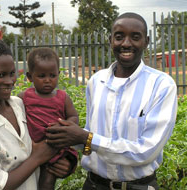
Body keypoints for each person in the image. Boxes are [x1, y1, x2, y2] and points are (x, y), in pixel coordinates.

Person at [45, 12, 178, 190]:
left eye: (135, 37)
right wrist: (69, 138)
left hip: (139, 187)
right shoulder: (96, 81)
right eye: (119, 37)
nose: (126, 43)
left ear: (146, 42)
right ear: (110, 40)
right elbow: (90, 136)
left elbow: (146, 152)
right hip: (93, 185)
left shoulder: (161, 85)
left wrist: (86, 138)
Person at [0, 20, 73, 190]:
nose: (9, 81)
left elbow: (41, 140)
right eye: (0, 75)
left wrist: (64, 164)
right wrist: (37, 158)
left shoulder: (20, 105)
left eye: (12, 73)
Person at [18, 47, 79, 190]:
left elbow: (73, 116)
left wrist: (65, 125)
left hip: (55, 147)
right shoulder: (23, 97)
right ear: (30, 76)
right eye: (41, 76)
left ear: (58, 74)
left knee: (47, 181)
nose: (47, 80)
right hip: (31, 149)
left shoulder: (63, 98)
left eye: (52, 76)